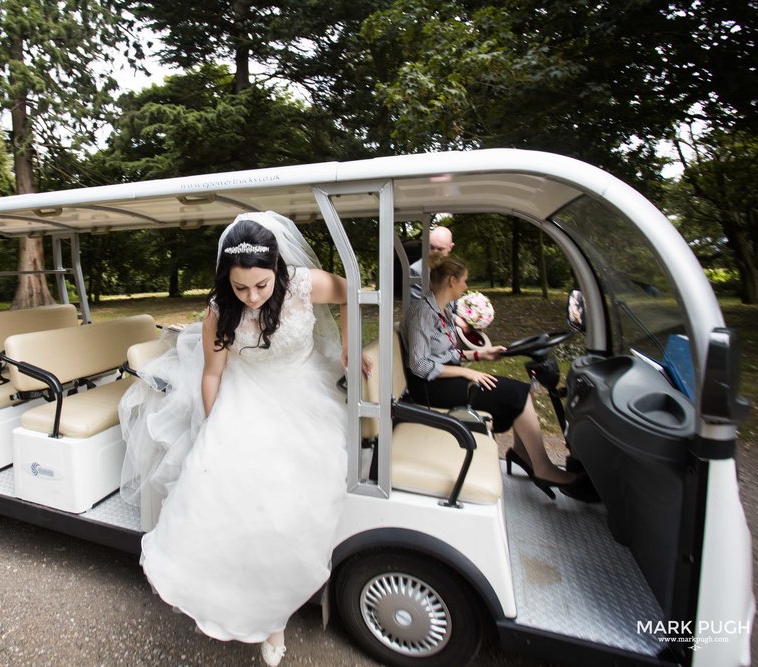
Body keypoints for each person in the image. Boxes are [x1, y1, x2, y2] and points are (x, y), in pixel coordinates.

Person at [118, 212, 360, 666]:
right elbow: (213, 374)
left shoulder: (306, 285)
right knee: (226, 484)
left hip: (306, 390)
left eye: (261, 286)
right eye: (240, 287)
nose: (250, 297)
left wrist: (348, 345)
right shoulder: (219, 310)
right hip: (245, 394)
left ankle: (275, 613)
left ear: (278, 269)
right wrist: (215, 424)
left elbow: (351, 292)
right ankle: (249, 604)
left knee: (296, 496)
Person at [400, 254, 580, 498]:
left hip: (444, 378)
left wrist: (481, 355)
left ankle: (521, 452)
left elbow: (446, 352)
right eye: (464, 281)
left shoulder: (445, 310)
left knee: (518, 389)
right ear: (452, 281)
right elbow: (420, 365)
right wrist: (466, 372)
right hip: (429, 387)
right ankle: (543, 468)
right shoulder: (423, 313)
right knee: (517, 392)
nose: (466, 287)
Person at [408, 224, 454, 299]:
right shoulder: (417, 271)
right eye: (431, 247)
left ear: (450, 247)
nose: (434, 252)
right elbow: (417, 306)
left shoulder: (453, 267)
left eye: (440, 249)